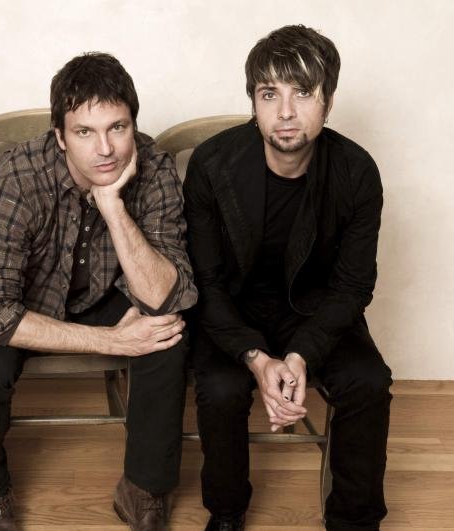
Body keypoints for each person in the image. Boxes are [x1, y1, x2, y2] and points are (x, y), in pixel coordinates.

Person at [0, 51, 198, 531]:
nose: (105, 149)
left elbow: (168, 296)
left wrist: (112, 205)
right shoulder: (18, 175)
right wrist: (111, 342)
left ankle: (143, 490)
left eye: (118, 128)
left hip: (109, 296)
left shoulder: (154, 167)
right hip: (28, 303)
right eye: (85, 132)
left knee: (167, 334)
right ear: (60, 137)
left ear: (133, 126)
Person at [184, 24, 392, 531]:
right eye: (268, 94)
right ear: (253, 102)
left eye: (302, 93)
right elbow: (205, 282)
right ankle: (226, 513)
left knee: (368, 380)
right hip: (232, 310)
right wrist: (256, 357)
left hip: (316, 311)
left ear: (328, 102)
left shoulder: (357, 172)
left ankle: (355, 521)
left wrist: (300, 355)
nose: (285, 112)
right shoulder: (211, 164)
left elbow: (352, 287)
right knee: (220, 387)